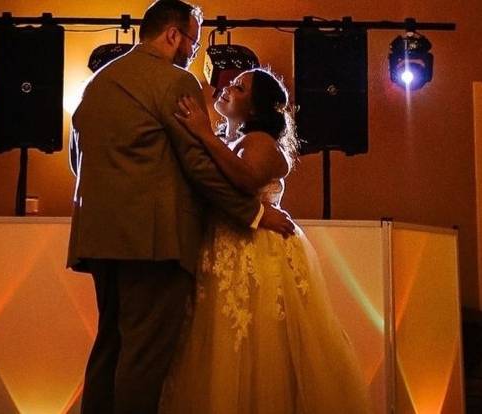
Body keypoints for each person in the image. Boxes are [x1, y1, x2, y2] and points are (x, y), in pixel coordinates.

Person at [67, 1, 295, 413]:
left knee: (108, 349)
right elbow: (200, 170)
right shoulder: (175, 82)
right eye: (193, 41)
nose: (194, 52)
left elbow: (76, 157)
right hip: (155, 243)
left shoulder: (99, 82)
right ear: (173, 35)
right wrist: (255, 214)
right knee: (144, 359)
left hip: (98, 236)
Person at [159, 68, 373, 413]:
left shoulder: (259, 141)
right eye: (231, 83)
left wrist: (203, 135)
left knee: (256, 346)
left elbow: (246, 178)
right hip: (224, 245)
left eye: (239, 87)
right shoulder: (231, 139)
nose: (227, 87)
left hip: (255, 251)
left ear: (255, 110)